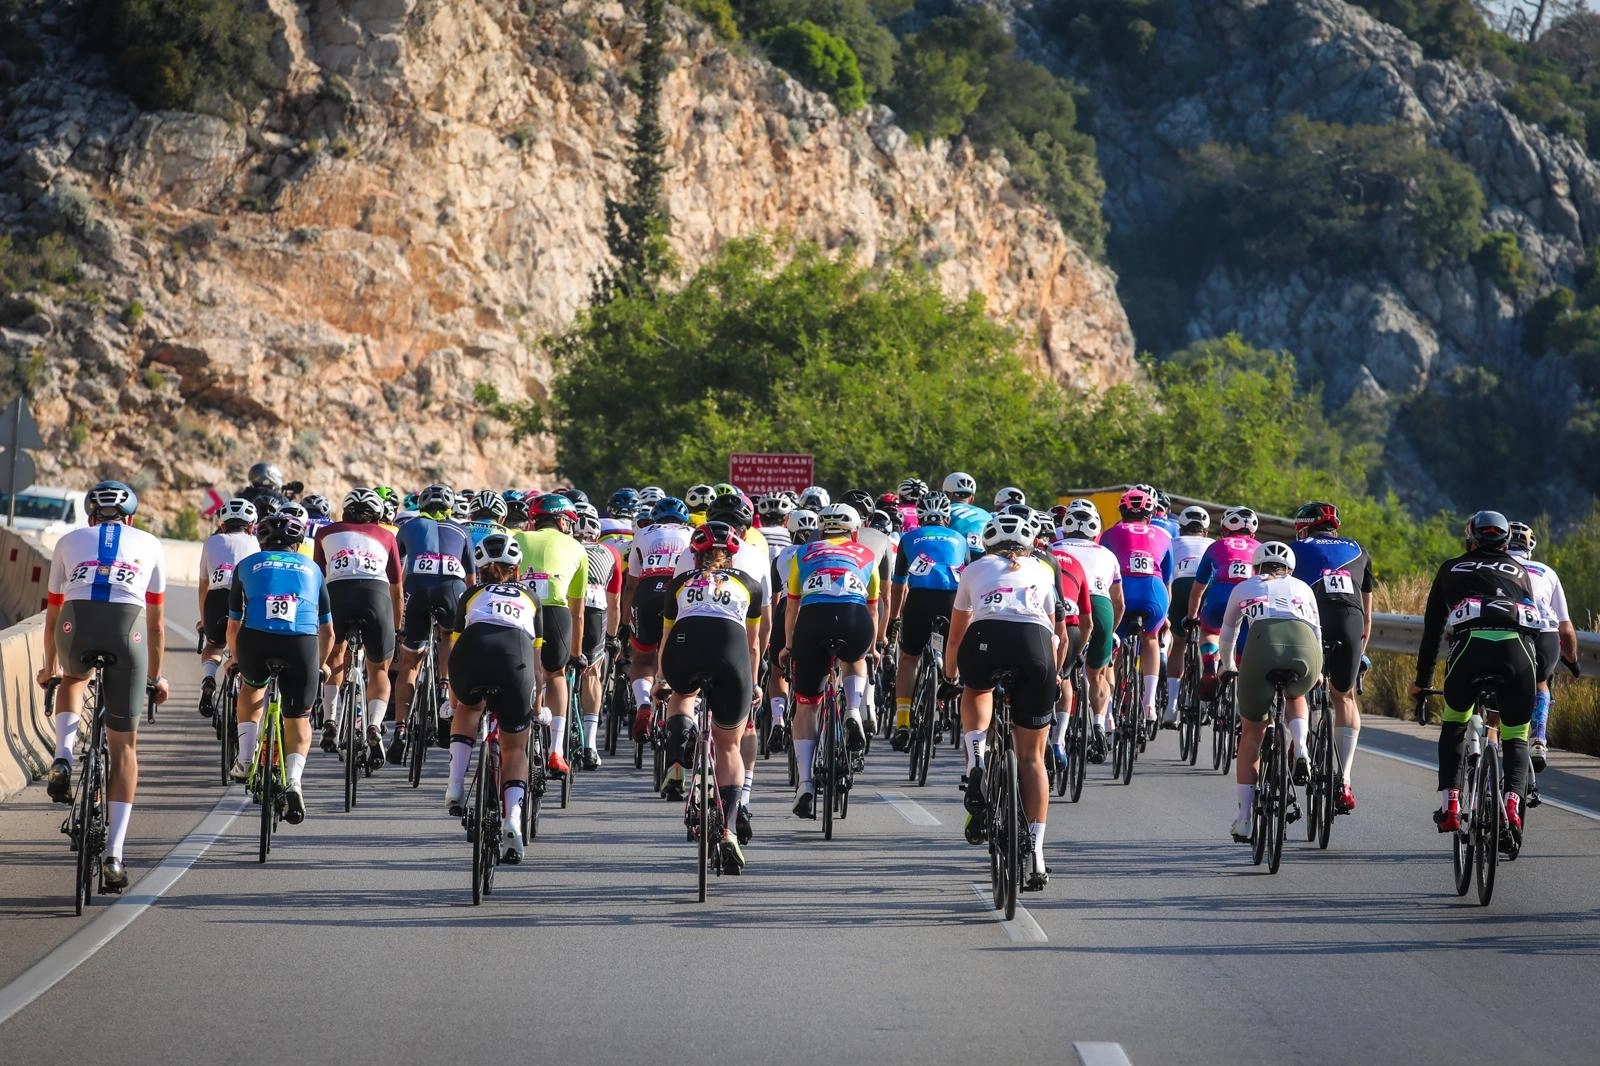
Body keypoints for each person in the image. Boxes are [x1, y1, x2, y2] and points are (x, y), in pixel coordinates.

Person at [37, 481, 170, 892]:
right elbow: (156, 625)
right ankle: (114, 856)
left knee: (74, 678)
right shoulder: (150, 543)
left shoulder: (68, 541)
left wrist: (49, 668)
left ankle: (62, 757)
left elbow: (52, 614)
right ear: (131, 518)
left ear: (90, 515)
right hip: (127, 630)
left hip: (76, 623)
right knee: (124, 748)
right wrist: (155, 679)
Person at [944, 512, 1065, 890]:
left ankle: (977, 759)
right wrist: (1053, 676)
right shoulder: (1043, 570)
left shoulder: (974, 569)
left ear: (988, 544)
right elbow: (1055, 634)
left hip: (986, 641)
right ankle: (1037, 854)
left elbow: (956, 634)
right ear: (1029, 546)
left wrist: (950, 676)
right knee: (1032, 758)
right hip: (1036, 649)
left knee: (976, 690)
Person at [1410, 511, 1541, 841]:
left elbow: (1432, 631)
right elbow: (1535, 629)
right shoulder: (1521, 571)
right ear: (1505, 542)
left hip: (1470, 649)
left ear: (1470, 539)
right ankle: (1512, 805)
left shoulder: (1451, 568)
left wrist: (1423, 681)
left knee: (1455, 723)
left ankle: (1451, 805)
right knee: (1516, 734)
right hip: (1517, 652)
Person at [659, 522, 765, 872]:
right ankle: (729, 830)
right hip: (731, 657)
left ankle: (677, 759)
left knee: (681, 691)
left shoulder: (679, 583)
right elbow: (753, 645)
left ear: (695, 555)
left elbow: (666, 640)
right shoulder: (748, 584)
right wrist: (753, 684)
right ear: (731, 556)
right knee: (729, 746)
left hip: (684, 651)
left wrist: (660, 680)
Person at [227, 511, 333, 828]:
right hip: (301, 644)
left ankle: (245, 759)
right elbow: (328, 631)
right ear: (297, 544)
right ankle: (294, 781)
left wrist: (236, 659)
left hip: (256, 640)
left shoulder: (246, 565)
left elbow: (233, 625)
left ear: (261, 541)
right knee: (298, 717)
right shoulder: (313, 569)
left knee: (251, 687)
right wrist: (321, 665)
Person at [781, 504, 885, 818]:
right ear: (854, 531)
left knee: (807, 705)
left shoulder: (804, 552)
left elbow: (792, 606)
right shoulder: (866, 554)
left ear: (821, 531)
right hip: (855, 619)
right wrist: (873, 647)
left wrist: (789, 646)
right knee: (856, 659)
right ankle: (853, 709)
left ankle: (805, 782)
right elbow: (873, 608)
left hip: (813, 621)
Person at [443, 534, 541, 862]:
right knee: (514, 748)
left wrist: (453, 701)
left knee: (468, 708)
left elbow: (454, 648)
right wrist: (537, 706)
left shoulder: (470, 594)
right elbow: (537, 663)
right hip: (516, 661)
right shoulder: (530, 596)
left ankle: (455, 785)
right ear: (517, 570)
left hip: (472, 654)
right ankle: (513, 817)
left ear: (481, 568)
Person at [1218, 542, 1322, 842]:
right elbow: (1317, 632)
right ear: (1290, 569)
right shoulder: (1303, 588)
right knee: (1295, 695)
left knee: (1252, 732)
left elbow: (1228, 633)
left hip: (1263, 647)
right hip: (1305, 649)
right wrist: (1318, 672)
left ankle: (1244, 820)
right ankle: (1300, 747)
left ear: (1256, 567)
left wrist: (1227, 666)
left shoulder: (1244, 587)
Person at [1290, 501, 1374, 811]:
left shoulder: (1295, 549)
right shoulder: (1359, 550)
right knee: (1345, 697)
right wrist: (1359, 654)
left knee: (1297, 690)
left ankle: (1299, 746)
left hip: (1313, 618)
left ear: (1304, 528)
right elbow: (1367, 616)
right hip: (1351, 622)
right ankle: (1345, 782)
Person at [312, 488, 404, 762]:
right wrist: (396, 629)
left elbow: (318, 577)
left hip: (337, 595)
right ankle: (374, 723)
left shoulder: (324, 533)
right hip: (376, 598)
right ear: (377, 516)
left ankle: (330, 719)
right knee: (379, 669)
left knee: (335, 657)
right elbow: (397, 590)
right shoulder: (387, 535)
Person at [392, 484, 475, 753]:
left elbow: (394, 571)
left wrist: (398, 609)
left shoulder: (408, 526)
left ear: (421, 506)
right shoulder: (461, 530)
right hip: (452, 590)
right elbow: (471, 579)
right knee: (448, 636)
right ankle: (444, 687)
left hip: (417, 589)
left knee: (410, 663)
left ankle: (401, 727)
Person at [514, 493, 589, 776]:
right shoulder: (576, 547)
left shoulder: (518, 538)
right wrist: (576, 653)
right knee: (556, 673)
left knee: (519, 672)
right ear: (561, 521)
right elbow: (577, 611)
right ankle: (556, 750)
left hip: (520, 607)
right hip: (556, 611)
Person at [887, 491, 968, 751]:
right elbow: (968, 578)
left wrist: (894, 618)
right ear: (947, 518)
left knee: (909, 658)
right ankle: (947, 689)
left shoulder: (908, 538)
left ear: (919, 517)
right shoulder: (959, 539)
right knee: (954, 648)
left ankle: (902, 722)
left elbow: (898, 585)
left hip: (919, 599)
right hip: (952, 600)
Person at [621, 496, 695, 746]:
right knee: (682, 656)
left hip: (648, 592)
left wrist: (625, 623)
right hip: (680, 592)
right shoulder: (692, 534)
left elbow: (631, 585)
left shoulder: (643, 533)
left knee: (642, 659)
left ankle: (644, 703)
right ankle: (683, 712)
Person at [1507, 521, 1579, 772]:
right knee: (1541, 681)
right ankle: (1539, 739)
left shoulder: (1493, 566)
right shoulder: (1546, 571)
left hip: (1507, 631)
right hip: (1545, 633)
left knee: (1500, 686)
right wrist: (1573, 661)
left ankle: (1491, 739)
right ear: (1530, 547)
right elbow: (1566, 629)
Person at [1099, 486, 1174, 727]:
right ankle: (1149, 703)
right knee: (1150, 638)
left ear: (1122, 513)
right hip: (1154, 592)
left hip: (1123, 592)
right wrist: (1165, 617)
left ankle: (1108, 713)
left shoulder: (1110, 533)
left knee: (1114, 645)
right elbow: (1167, 580)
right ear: (1150, 515)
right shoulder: (1164, 535)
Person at [1054, 505, 1123, 760]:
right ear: (1096, 533)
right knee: (1097, 675)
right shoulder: (1108, 554)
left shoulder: (1054, 549)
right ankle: (1099, 724)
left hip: (1068, 605)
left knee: (1063, 672)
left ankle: (1058, 738)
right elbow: (1120, 603)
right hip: (1102, 606)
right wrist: (1110, 632)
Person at [196, 498, 258, 718]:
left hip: (216, 598)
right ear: (251, 526)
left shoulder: (211, 543)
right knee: (247, 650)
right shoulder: (256, 543)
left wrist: (204, 620)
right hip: (245, 598)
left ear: (222, 525)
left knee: (213, 646)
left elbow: (203, 585)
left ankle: (208, 678)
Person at [1191, 507, 1261, 698]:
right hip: (1249, 600)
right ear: (1252, 532)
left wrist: (1192, 616)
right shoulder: (1260, 547)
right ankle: (1242, 699)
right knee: (1244, 646)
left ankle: (1209, 666)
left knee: (1209, 631)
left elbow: (1198, 589)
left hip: (1220, 597)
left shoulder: (1216, 545)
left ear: (1225, 529)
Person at [577, 502, 623, 770]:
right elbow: (614, 603)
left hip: (563, 608)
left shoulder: (564, 547)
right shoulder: (611, 552)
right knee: (592, 672)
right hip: (595, 606)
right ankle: (590, 744)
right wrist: (613, 638)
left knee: (553, 673)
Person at [1164, 505, 1212, 726]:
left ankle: (1171, 706)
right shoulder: (1213, 544)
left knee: (1179, 644)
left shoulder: (1171, 542)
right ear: (1205, 531)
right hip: (1207, 587)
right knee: (1210, 637)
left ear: (1181, 528)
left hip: (1180, 585)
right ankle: (1208, 693)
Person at [941, 472, 989, 555]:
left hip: (954, 557)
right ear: (972, 499)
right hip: (985, 559)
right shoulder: (987, 515)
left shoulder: (943, 513)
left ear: (946, 495)